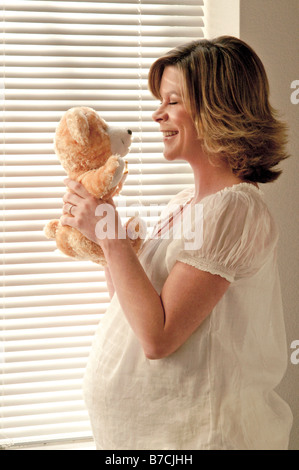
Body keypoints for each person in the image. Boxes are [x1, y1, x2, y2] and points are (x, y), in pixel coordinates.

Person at [60, 36, 293, 450]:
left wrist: (113, 241)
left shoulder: (235, 209)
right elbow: (131, 310)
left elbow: (158, 338)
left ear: (217, 109)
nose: (157, 115)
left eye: (172, 102)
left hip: (203, 438)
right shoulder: (184, 204)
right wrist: (102, 238)